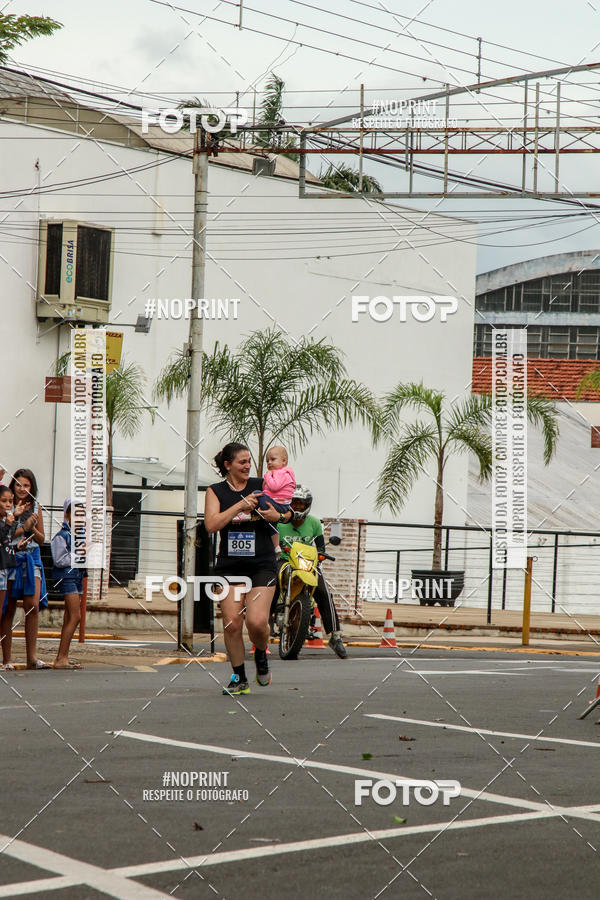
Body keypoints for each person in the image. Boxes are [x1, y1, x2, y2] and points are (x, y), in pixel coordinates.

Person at [204, 442, 292, 695]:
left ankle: (261, 653)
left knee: (256, 622)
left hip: (262, 564)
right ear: (227, 465)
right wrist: (239, 506)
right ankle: (239, 678)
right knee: (232, 624)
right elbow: (211, 525)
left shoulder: (262, 484)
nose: (247, 466)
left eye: (249, 461)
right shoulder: (216, 491)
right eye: (242, 462)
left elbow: (288, 509)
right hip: (230, 567)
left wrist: (278, 517)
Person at [276, 485, 347, 659]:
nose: (297, 506)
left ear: (307, 505)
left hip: (307, 563)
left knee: (324, 592)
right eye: (294, 502)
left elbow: (321, 547)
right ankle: (267, 621)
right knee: (272, 582)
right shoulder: (280, 521)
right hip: (286, 560)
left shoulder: (314, 523)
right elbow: (273, 542)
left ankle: (335, 636)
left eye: (301, 503)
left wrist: (321, 554)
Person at [1, 468, 50, 670]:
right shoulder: (7, 506)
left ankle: (32, 658)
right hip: (11, 556)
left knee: (32, 606)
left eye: (26, 485)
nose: (22, 489)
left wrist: (33, 527)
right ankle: (7, 659)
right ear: (13, 486)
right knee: (8, 608)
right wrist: (24, 527)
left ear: (32, 487)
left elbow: (41, 539)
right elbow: (5, 536)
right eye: (19, 484)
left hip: (32, 557)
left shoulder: (36, 506)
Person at [50, 499, 84, 669]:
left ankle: (62, 657)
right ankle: (61, 657)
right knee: (75, 616)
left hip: (78, 576)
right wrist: (79, 556)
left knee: (69, 617)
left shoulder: (80, 536)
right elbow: (59, 560)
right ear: (67, 515)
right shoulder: (61, 536)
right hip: (67, 577)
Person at [254, 446, 296, 556]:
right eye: (267, 461)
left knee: (256, 493)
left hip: (276, 504)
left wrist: (267, 476)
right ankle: (276, 546)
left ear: (284, 461)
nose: (269, 463)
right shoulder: (286, 474)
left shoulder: (280, 473)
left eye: (273, 459)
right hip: (283, 505)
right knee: (272, 524)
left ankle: (245, 513)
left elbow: (274, 487)